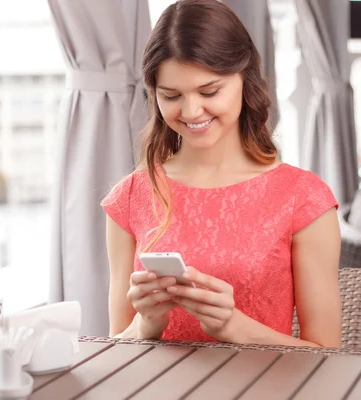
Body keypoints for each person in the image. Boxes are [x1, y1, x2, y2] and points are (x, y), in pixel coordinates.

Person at [101, 0, 342, 348]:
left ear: (246, 79)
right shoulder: (131, 196)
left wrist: (234, 327)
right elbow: (116, 348)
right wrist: (146, 324)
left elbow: (327, 357)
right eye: (171, 95)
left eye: (209, 91)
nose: (191, 111)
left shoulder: (303, 199)